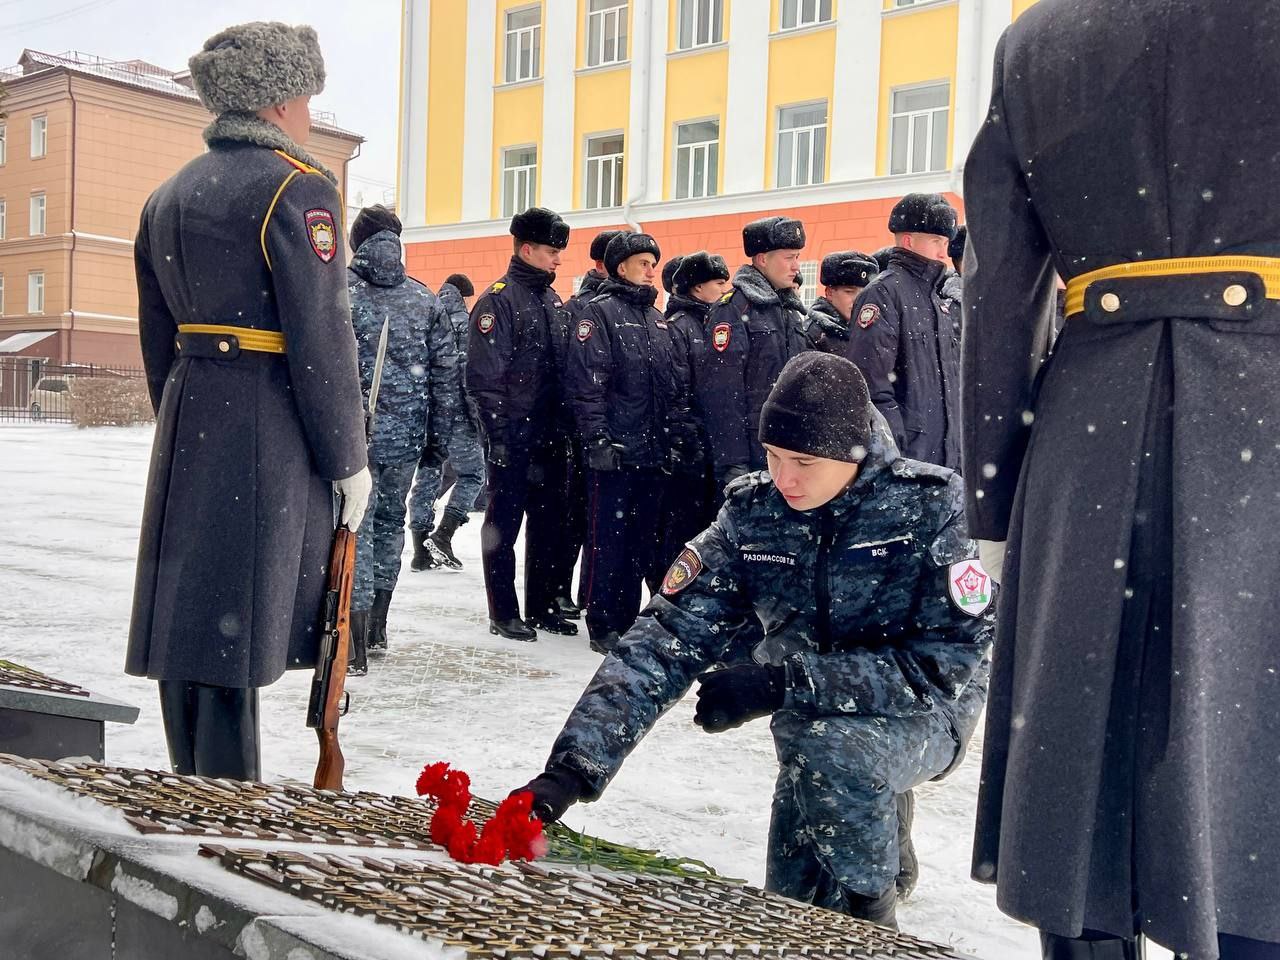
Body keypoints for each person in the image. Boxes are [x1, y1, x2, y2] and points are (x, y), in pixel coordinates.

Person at [962, 3, 1280, 959]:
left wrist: (998, 496)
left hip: (1086, 431)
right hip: (1264, 422)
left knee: (1081, 759)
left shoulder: (1036, 39)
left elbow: (998, 293)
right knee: (1255, 779)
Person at [517, 353, 992, 929]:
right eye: (771, 455)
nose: (784, 477)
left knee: (826, 755)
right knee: (806, 843)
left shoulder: (930, 507)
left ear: (855, 451)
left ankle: (870, 921)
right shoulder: (755, 514)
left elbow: (947, 664)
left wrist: (786, 682)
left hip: (926, 707)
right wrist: (571, 770)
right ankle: (865, 850)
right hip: (815, 712)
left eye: (803, 461)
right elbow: (664, 637)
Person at [127, 21, 370, 779]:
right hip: (265, 419)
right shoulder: (297, 189)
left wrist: (184, 412)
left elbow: (153, 336)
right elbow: (323, 338)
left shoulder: (167, 196)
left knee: (187, 622)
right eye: (304, 95)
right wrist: (348, 458)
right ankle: (229, 813)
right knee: (237, 626)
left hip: (192, 411)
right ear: (278, 100)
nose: (308, 110)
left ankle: (192, 782)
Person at [567, 232, 691, 653]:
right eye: (642, 262)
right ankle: (603, 621)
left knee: (641, 542)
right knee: (608, 541)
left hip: (653, 455)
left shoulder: (658, 322)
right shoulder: (599, 315)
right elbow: (588, 384)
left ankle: (628, 617)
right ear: (621, 267)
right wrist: (597, 439)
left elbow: (673, 387)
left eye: (653, 262)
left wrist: (673, 438)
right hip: (615, 454)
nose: (650, 269)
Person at [346, 206, 457, 671]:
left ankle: (351, 639)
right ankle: (378, 628)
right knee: (389, 523)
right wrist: (439, 435)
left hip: (352, 436)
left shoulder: (340, 293)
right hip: (407, 439)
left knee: (354, 528)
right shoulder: (424, 299)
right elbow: (447, 374)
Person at [468, 207, 578, 641]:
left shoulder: (552, 301)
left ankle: (541, 604)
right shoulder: (498, 300)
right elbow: (484, 378)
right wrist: (498, 435)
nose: (557, 260)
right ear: (526, 248)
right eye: (551, 251)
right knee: (504, 528)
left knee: (549, 527)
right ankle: (503, 611)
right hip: (514, 437)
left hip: (550, 436)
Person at [843, 194, 961, 471]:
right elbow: (870, 384)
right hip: (909, 456)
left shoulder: (937, 299)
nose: (943, 253)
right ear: (908, 240)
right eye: (936, 242)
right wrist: (895, 448)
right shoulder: (884, 294)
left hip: (944, 457)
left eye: (945, 243)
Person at [698, 216, 812, 488]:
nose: (796, 267)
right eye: (789, 258)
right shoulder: (734, 309)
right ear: (762, 259)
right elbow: (722, 392)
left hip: (789, 446)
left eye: (797, 257)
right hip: (753, 451)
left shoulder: (790, 311)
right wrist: (732, 460)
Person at [648, 251, 731, 590]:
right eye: (719, 282)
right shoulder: (681, 327)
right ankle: (669, 596)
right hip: (690, 451)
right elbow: (676, 390)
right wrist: (687, 439)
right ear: (698, 289)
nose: (726, 288)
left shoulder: (717, 322)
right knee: (680, 533)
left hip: (712, 447)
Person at [407, 272, 486, 572]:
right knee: (473, 474)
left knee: (428, 476)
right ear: (465, 296)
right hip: (457, 415)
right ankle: (444, 535)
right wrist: (478, 418)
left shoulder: (426, 312)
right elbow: (468, 373)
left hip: (426, 413)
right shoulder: (464, 324)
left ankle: (419, 550)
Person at [804, 252, 879, 353]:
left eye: (863, 294)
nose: (857, 300)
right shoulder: (811, 335)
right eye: (849, 292)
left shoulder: (872, 329)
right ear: (829, 293)